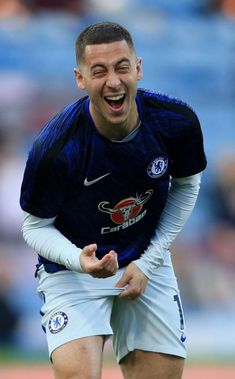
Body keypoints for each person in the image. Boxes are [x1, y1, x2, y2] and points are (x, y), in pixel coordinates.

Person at [20, 21, 207, 379]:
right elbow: (34, 225)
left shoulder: (175, 123)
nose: (114, 81)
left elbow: (186, 185)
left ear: (138, 68)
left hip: (143, 258)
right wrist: (79, 260)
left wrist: (149, 262)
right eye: (99, 71)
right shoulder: (55, 149)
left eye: (122, 67)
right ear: (80, 78)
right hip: (73, 269)